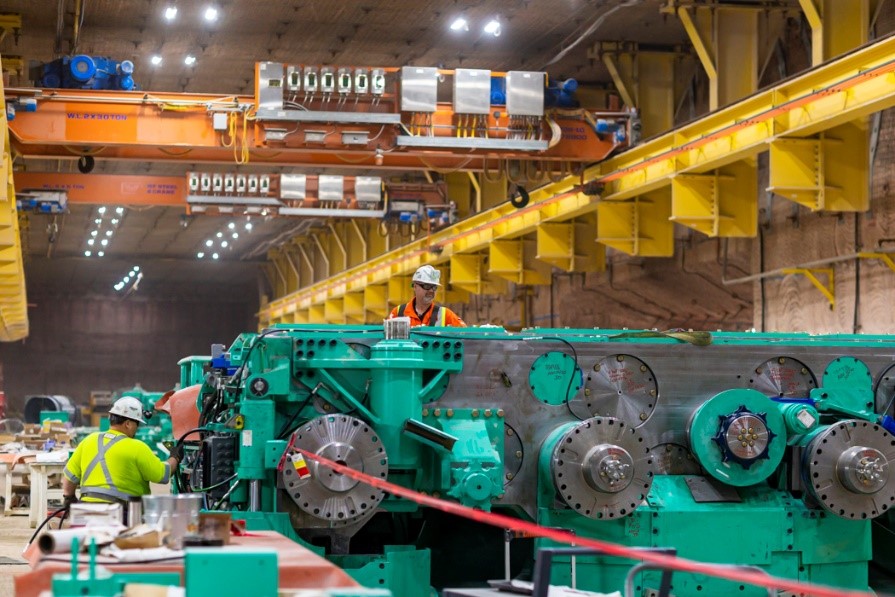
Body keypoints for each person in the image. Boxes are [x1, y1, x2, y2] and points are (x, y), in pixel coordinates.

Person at [62, 397, 183, 517]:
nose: (137, 428)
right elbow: (163, 474)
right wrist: (175, 456)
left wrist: (69, 498)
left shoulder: (88, 441)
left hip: (86, 511)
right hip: (121, 514)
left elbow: (69, 477)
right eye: (137, 424)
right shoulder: (137, 447)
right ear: (128, 424)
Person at [389, 265, 467, 327]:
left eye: (434, 287)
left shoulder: (445, 314)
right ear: (415, 286)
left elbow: (466, 335)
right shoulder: (399, 312)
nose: (431, 291)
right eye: (427, 286)